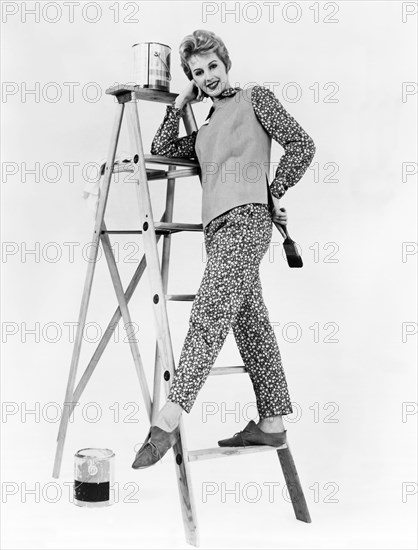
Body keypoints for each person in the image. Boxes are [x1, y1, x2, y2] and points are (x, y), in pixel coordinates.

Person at [132, 29, 316, 469]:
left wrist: (274, 191)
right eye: (198, 72)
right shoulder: (205, 129)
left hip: (248, 221)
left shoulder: (257, 99)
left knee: (211, 310)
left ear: (225, 62)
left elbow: (302, 145)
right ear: (193, 80)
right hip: (218, 232)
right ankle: (272, 422)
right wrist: (177, 108)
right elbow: (160, 150)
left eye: (213, 65)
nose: (209, 75)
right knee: (251, 325)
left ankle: (170, 415)